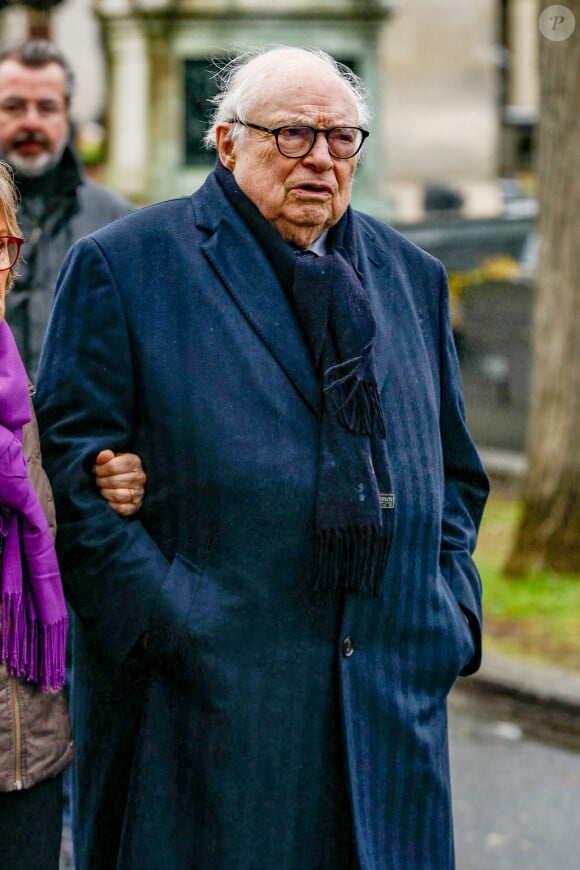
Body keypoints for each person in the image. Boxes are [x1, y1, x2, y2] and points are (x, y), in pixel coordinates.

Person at [35, 47, 489, 870]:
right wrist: (176, 625)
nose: (319, 157)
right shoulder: (126, 268)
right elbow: (77, 482)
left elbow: (454, 473)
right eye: (290, 134)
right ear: (226, 141)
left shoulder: (410, 277)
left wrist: (447, 611)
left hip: (388, 712)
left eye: (342, 138)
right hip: (202, 714)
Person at [0, 160, 144, 870]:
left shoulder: (20, 391)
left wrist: (112, 476)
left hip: (28, 753)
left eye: (1, 242)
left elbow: (66, 496)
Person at [0, 39, 132, 379]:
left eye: (46, 108)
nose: (31, 123)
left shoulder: (116, 221)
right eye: (14, 107)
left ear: (66, 113)